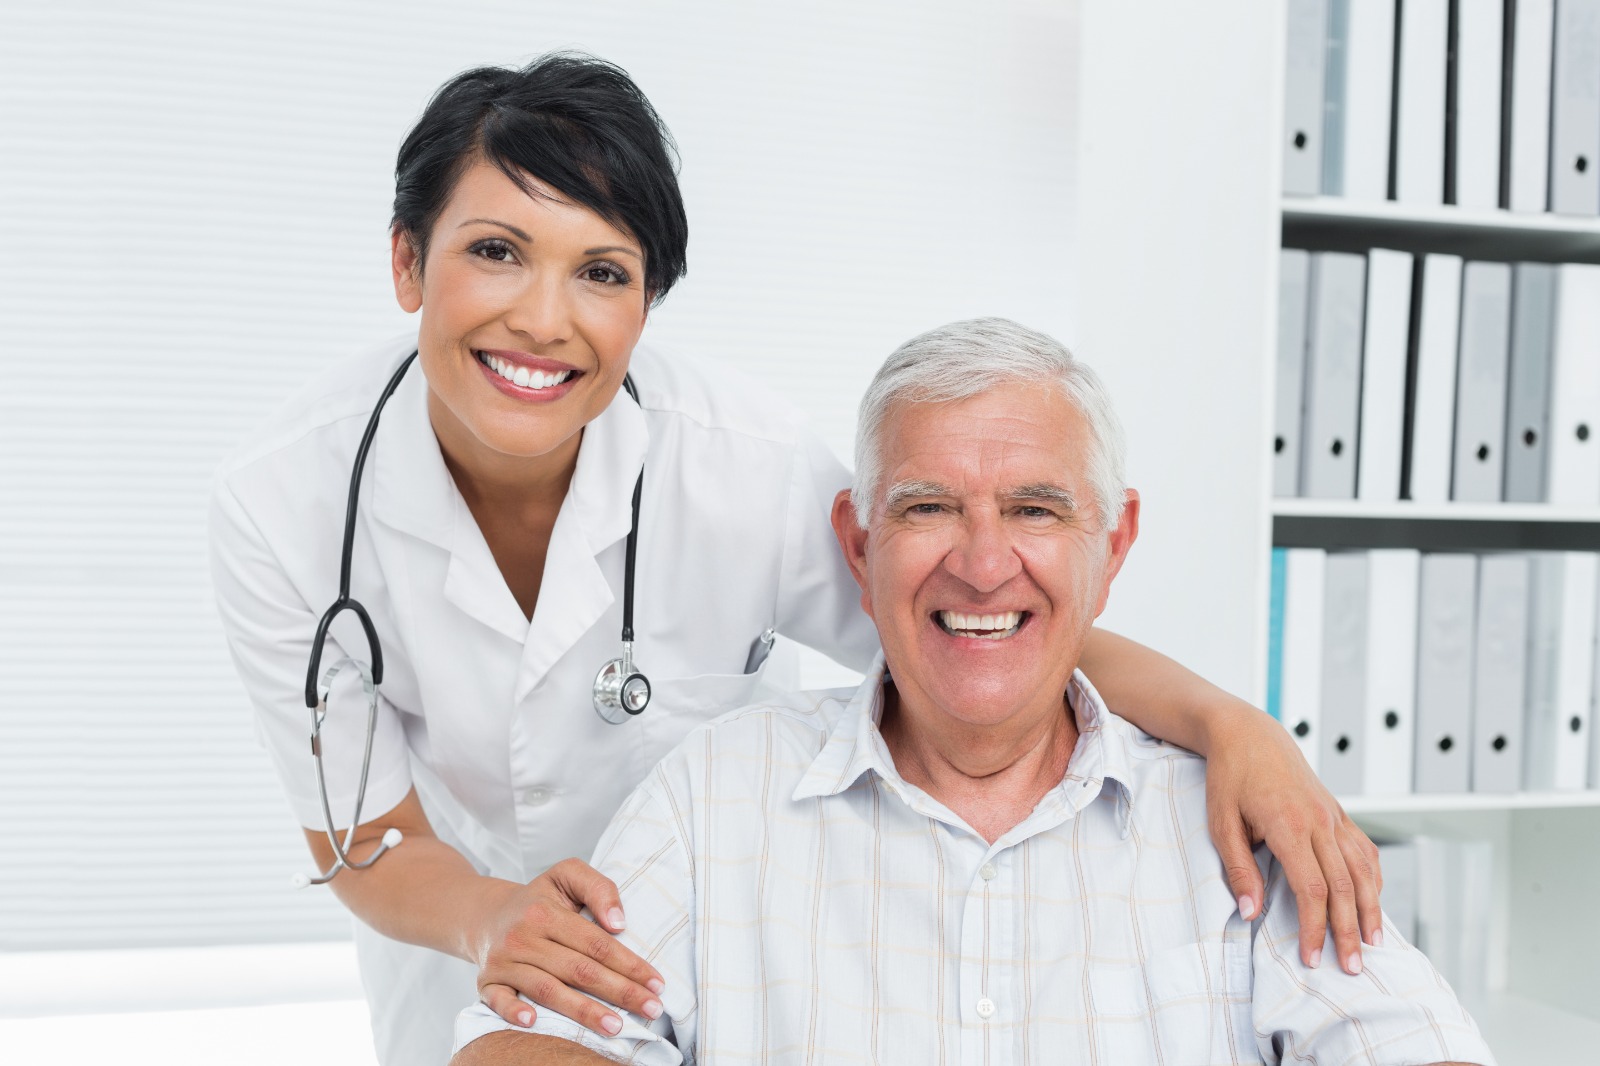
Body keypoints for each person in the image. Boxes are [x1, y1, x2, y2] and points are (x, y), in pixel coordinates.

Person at [209, 56, 1383, 1066]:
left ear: (647, 305)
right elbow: (365, 840)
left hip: (722, 955)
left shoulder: (742, 466)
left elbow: (976, 623)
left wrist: (1234, 727)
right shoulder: (284, 507)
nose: (543, 318)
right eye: (497, 251)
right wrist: (489, 921)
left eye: (601, 271)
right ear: (408, 263)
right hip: (467, 954)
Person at [450, 318, 1493, 1066]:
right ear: (859, 545)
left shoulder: (1232, 822)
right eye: (928, 507)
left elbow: (1414, 1042)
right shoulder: (715, 794)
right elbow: (526, 1038)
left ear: (1113, 543)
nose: (984, 565)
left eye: (1035, 509)